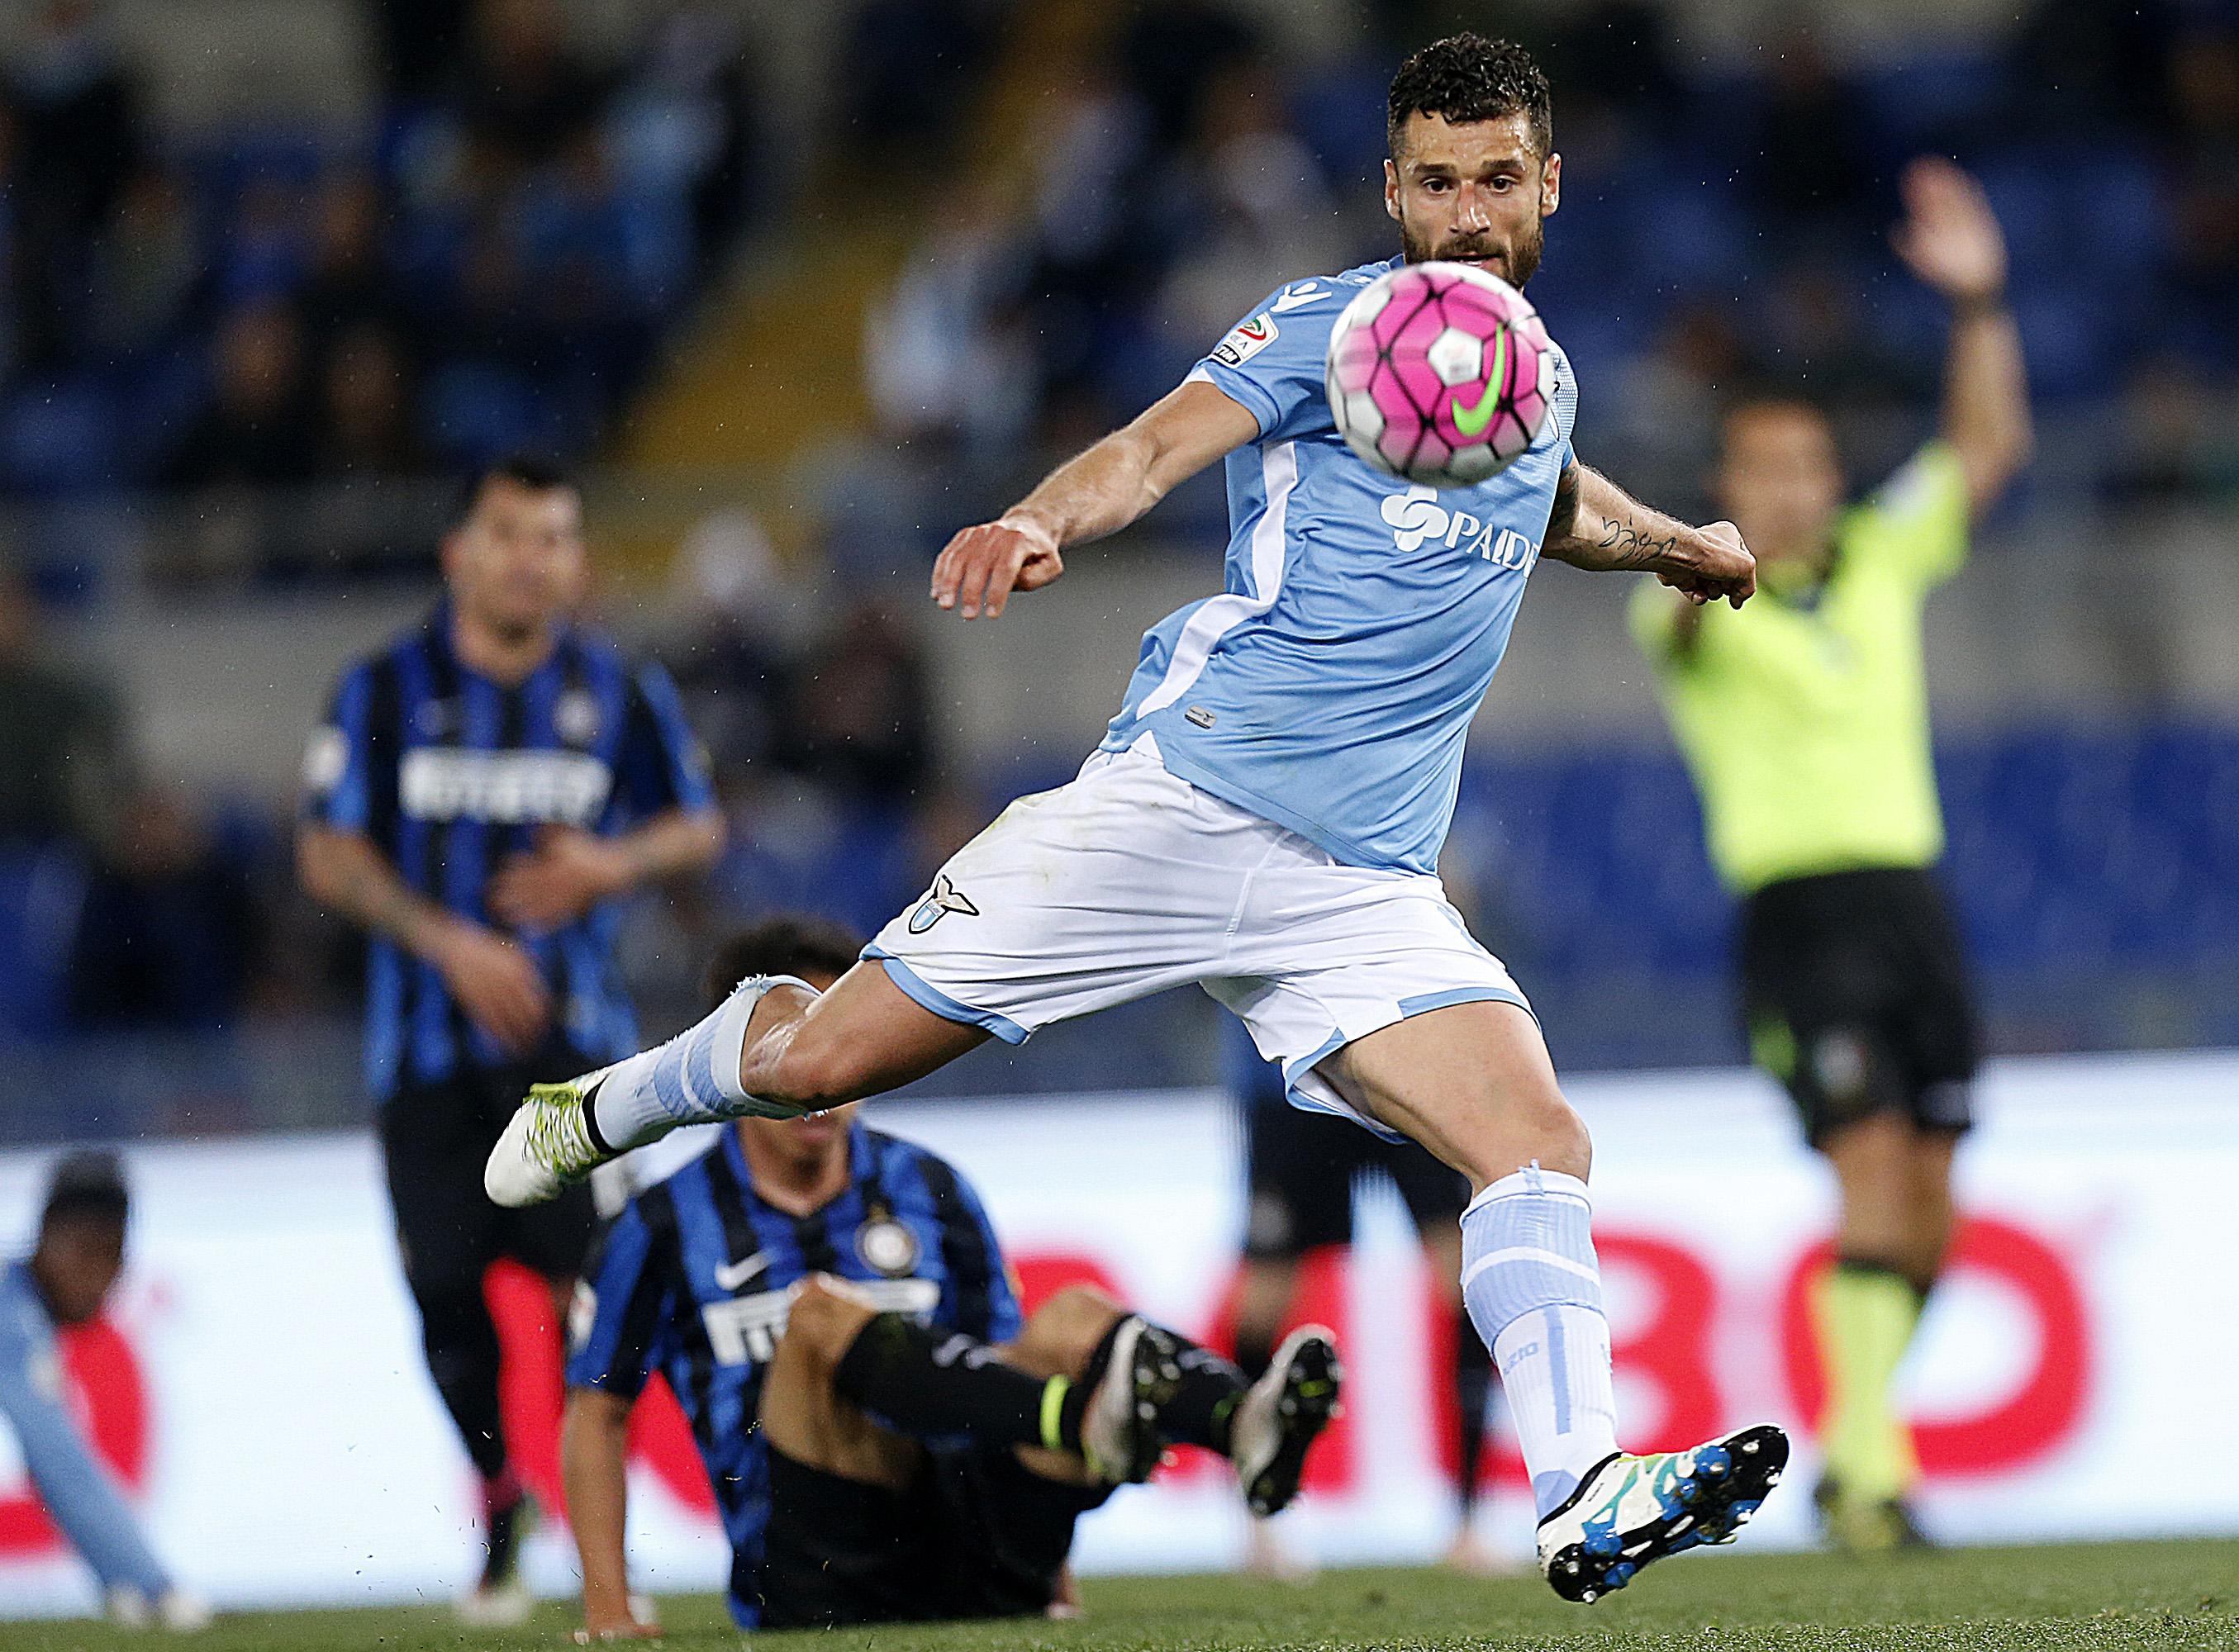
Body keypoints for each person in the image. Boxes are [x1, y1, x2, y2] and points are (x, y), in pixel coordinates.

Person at [494, 34, 1781, 1607]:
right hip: (1179, 809)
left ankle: (1581, 1489)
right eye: (1436, 183)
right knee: (819, 1064)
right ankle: (614, 1102)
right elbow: (1156, 445)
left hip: (1364, 886)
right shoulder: (1321, 329)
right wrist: (1041, 515)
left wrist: (1674, 542)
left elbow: (1552, 493)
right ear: (1389, 190)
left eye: (1497, 180)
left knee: (1536, 1142)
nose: (1466, 216)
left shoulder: (1533, 374)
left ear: (1551, 186)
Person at [1629, 159, 2032, 1552]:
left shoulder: (1877, 559)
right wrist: (1702, 567)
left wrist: (1978, 304)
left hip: (1912, 903)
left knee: (1935, 1212)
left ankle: (1858, 1450)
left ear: (1831, 476)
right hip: (1800, 918)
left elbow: (1985, 452)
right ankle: (1871, 1479)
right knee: (1869, 1172)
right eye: (1767, 470)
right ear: (1727, 487)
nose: (1794, 488)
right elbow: (1679, 628)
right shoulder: (1688, 601)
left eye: (1809, 466)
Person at [563, 918, 1342, 1638]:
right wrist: (609, 1607)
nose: (816, 1075)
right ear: (728, 1064)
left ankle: (1238, 1421)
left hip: (971, 1538)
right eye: (787, 1045)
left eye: (835, 1039)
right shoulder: (662, 1222)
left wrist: (1057, 1581)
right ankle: (1085, 1421)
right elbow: (598, 1413)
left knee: (1072, 1315)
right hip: (814, 1567)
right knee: (818, 1317)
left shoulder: (930, 1187)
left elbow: (1004, 1368)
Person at [296, 454, 725, 1623]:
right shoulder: (381, 689)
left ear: (576, 560)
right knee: (446, 1297)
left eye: (553, 538)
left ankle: (605, 1558)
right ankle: (496, 1496)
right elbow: (325, 851)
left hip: (573, 1055)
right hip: (424, 1058)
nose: (531, 559)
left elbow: (697, 824)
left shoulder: (618, 689)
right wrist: (449, 943)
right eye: (508, 534)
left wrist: (611, 864)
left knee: (594, 1295)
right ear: (458, 554)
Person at [1223, 1015, 1502, 1578]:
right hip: (1290, 1081)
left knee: (1468, 1284)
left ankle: (1470, 1523)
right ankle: (1258, 1523)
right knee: (1263, 1305)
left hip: (1407, 1073)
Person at [0, 1151, 209, 1632]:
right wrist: (153, 1586)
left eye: (113, 1255)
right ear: (46, 1241)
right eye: (86, 1251)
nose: (99, 1276)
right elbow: (58, 1461)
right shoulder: (14, 1323)